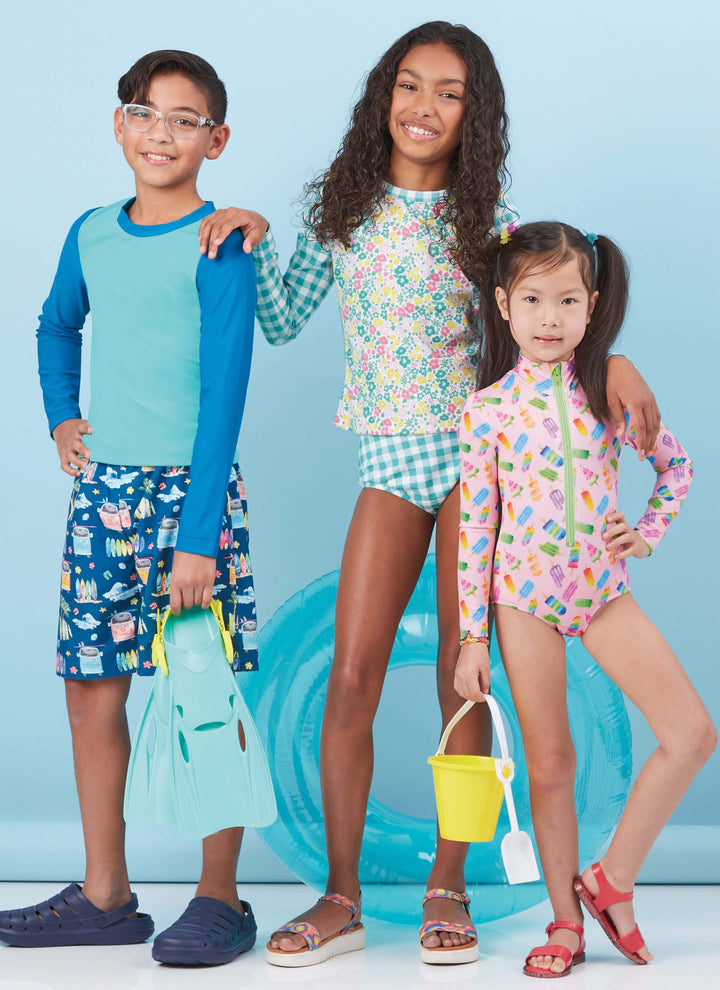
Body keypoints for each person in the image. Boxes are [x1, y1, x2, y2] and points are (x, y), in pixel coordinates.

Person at [199, 22, 659, 967]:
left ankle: (447, 883)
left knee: (463, 672)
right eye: (409, 86)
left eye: (447, 93)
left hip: (475, 464)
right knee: (353, 674)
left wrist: (617, 363)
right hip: (389, 463)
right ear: (385, 96)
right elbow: (282, 320)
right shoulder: (343, 208)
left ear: (472, 113)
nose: (422, 107)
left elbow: (550, 314)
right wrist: (251, 234)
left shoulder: (489, 220)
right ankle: (340, 896)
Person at [0, 51, 259, 967]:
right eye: (145, 113)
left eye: (185, 119)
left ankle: (221, 896)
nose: (162, 132)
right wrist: (64, 416)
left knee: (204, 689)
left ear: (214, 140)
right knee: (90, 687)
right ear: (120, 124)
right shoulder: (91, 233)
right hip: (105, 492)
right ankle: (105, 893)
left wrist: (197, 539)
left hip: (192, 496)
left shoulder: (221, 245)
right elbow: (54, 324)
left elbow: (226, 392)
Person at [455, 221, 716, 977]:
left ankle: (611, 880)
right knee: (552, 763)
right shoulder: (486, 413)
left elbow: (678, 468)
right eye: (532, 299)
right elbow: (477, 528)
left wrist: (648, 531)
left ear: (591, 306)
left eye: (567, 300)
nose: (548, 318)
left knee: (692, 733)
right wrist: (474, 634)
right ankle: (565, 923)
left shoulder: (606, 389)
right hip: (521, 599)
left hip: (601, 592)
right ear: (503, 305)